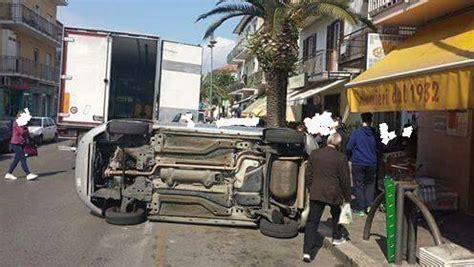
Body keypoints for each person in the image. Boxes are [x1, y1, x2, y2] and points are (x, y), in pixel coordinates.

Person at [303, 133, 351, 263]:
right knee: (336, 215)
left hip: (317, 191)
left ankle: (307, 251)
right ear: (339, 144)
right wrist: (347, 197)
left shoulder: (315, 154)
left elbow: (308, 175)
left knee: (312, 222)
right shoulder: (341, 158)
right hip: (334, 193)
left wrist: (310, 188)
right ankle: (336, 237)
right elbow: (345, 179)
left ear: (327, 141)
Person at [345, 112, 379, 217]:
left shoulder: (356, 133)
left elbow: (348, 147)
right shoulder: (375, 134)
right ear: (371, 120)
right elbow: (380, 149)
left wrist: (349, 157)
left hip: (358, 162)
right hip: (372, 163)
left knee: (358, 185)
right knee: (370, 184)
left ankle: (361, 207)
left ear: (362, 120)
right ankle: (369, 206)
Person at [4, 112, 38, 181]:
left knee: (16, 160)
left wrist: (32, 141)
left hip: (21, 143)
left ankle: (9, 173)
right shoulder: (16, 123)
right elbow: (22, 132)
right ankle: (28, 174)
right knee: (23, 158)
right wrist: (25, 128)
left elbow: (27, 133)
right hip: (15, 143)